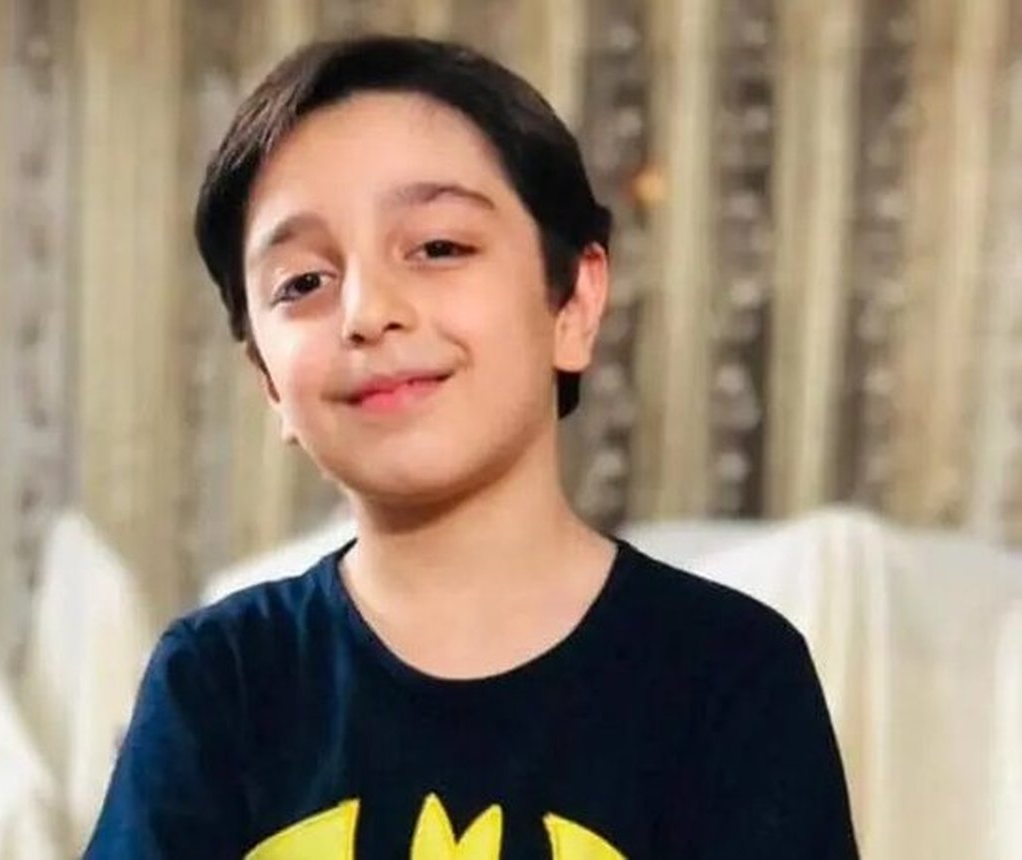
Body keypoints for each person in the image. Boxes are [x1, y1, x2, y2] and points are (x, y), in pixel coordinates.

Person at [85, 35, 858, 859]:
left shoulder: (729, 674)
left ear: (574, 303)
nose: (367, 311)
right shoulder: (219, 680)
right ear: (268, 381)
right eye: (303, 282)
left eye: (438, 248)